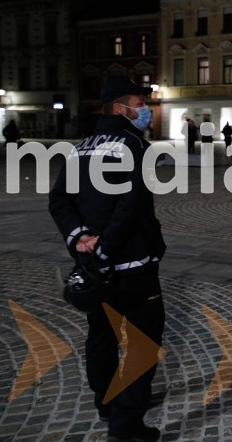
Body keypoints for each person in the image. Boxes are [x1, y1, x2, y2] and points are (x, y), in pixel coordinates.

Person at [48, 75, 165, 442]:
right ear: (120, 107)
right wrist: (106, 246)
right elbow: (133, 204)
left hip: (94, 266)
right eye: (139, 102)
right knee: (143, 343)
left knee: (101, 336)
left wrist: (79, 239)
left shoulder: (79, 147)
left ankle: (105, 403)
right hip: (131, 266)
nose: (144, 108)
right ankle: (126, 425)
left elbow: (59, 201)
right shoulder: (134, 146)